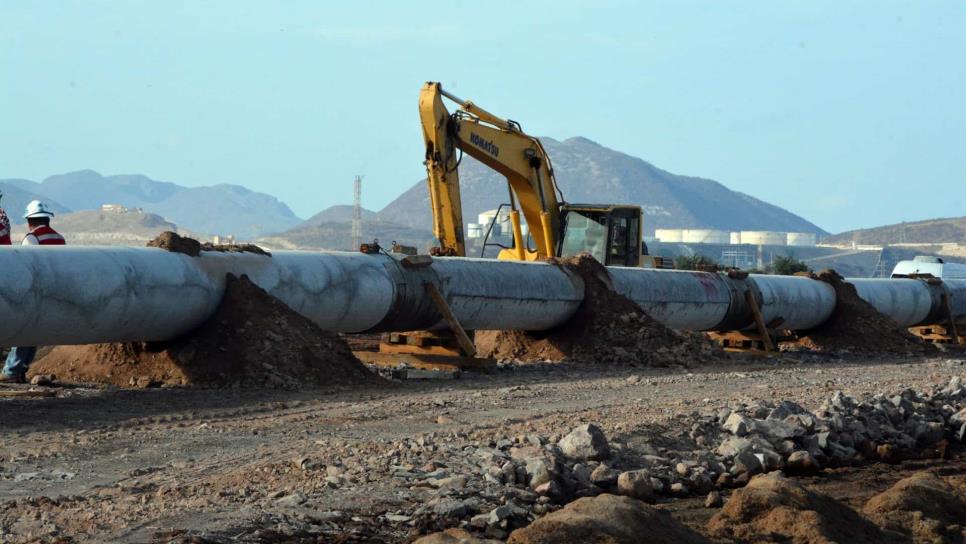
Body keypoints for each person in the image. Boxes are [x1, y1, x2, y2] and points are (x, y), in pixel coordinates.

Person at [1, 201, 64, 383]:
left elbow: (26, 267)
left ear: (30, 221)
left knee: (22, 330)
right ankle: (18, 370)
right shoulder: (60, 239)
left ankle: (12, 371)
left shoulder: (31, 238)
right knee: (33, 333)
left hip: (36, 292)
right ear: (47, 219)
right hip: (55, 293)